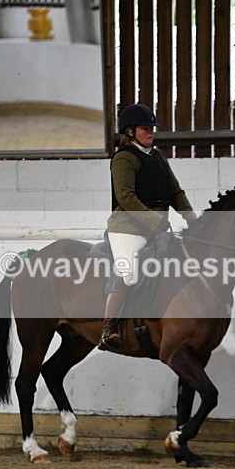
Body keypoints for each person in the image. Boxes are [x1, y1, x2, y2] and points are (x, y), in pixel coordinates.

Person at [99, 103, 198, 351]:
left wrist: (193, 220)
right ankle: (108, 328)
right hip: (127, 229)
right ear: (130, 132)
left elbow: (175, 191)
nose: (151, 132)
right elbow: (126, 197)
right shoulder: (123, 158)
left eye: (152, 128)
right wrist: (158, 222)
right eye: (145, 128)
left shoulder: (158, 156)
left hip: (155, 228)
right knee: (129, 271)